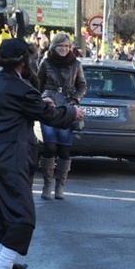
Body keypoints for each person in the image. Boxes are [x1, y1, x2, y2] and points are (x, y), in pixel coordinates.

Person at [0, 38, 83, 269]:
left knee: (5, 211)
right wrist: (72, 113)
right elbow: (50, 115)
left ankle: (6, 263)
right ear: (24, 61)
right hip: (9, 158)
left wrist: (40, 103)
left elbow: (22, 106)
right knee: (23, 216)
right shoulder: (18, 87)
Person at [37, 33, 87, 200]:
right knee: (49, 147)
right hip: (49, 108)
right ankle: (47, 184)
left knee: (64, 149)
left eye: (67, 46)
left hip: (67, 109)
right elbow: (37, 86)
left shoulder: (76, 64)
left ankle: (60, 186)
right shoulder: (45, 63)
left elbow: (82, 86)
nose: (64, 49)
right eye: (61, 46)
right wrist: (43, 98)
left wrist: (74, 100)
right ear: (53, 47)